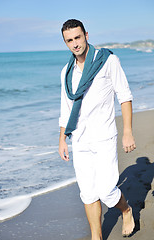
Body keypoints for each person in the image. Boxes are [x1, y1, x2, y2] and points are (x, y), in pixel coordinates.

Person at [59, 19, 136, 240]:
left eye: (78, 37)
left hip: (104, 137)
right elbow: (66, 109)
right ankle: (96, 236)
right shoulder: (66, 72)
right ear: (65, 43)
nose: (75, 44)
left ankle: (126, 210)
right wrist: (62, 139)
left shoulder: (108, 61)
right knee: (88, 193)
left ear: (86, 35)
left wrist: (127, 131)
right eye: (69, 40)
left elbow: (124, 95)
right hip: (80, 140)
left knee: (107, 192)